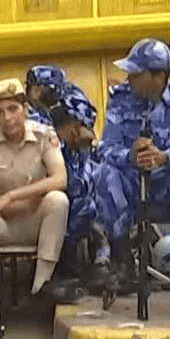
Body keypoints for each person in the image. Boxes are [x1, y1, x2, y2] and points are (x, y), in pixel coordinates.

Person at [0, 78, 69, 339]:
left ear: (25, 108)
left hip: (33, 216)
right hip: (3, 221)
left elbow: (59, 178)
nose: (7, 118)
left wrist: (11, 196)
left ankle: (40, 288)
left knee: (58, 201)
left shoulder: (44, 136)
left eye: (13, 109)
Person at [95, 38, 170, 292]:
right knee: (103, 173)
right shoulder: (121, 98)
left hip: (169, 184)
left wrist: (165, 157)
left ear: (158, 77)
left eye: (136, 74)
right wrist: (130, 156)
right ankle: (123, 263)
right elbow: (105, 147)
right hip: (132, 185)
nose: (129, 79)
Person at [26, 65, 106, 296]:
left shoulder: (70, 99)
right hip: (38, 177)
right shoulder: (25, 112)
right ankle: (63, 264)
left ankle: (102, 260)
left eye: (47, 89)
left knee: (96, 185)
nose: (40, 93)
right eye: (38, 89)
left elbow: (84, 133)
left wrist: (80, 136)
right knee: (71, 193)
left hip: (73, 167)